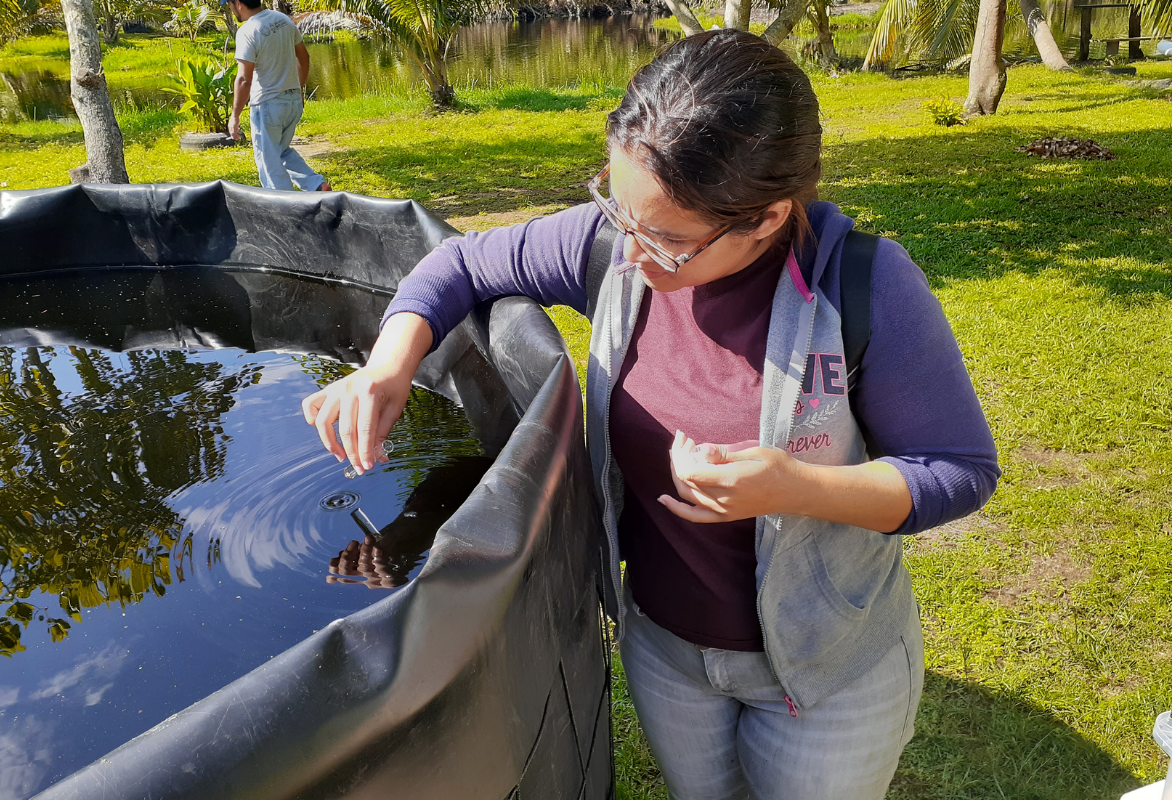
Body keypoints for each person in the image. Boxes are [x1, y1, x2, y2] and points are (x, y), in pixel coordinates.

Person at [301, 30, 999, 800]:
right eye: (616, 205)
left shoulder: (866, 287)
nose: (628, 254)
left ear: (765, 220)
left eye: (666, 241)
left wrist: (797, 488)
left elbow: (959, 471)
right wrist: (388, 366)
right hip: (668, 658)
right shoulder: (614, 245)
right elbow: (460, 262)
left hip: (827, 676)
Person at [225, 0, 331, 192]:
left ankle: (285, 210)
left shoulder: (248, 31)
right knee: (280, 150)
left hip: (267, 105)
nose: (231, 10)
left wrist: (235, 116)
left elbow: (243, 80)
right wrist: (298, 89)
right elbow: (304, 57)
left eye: (230, 5)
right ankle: (316, 185)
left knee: (268, 162)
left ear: (238, 3)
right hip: (292, 102)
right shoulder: (283, 20)